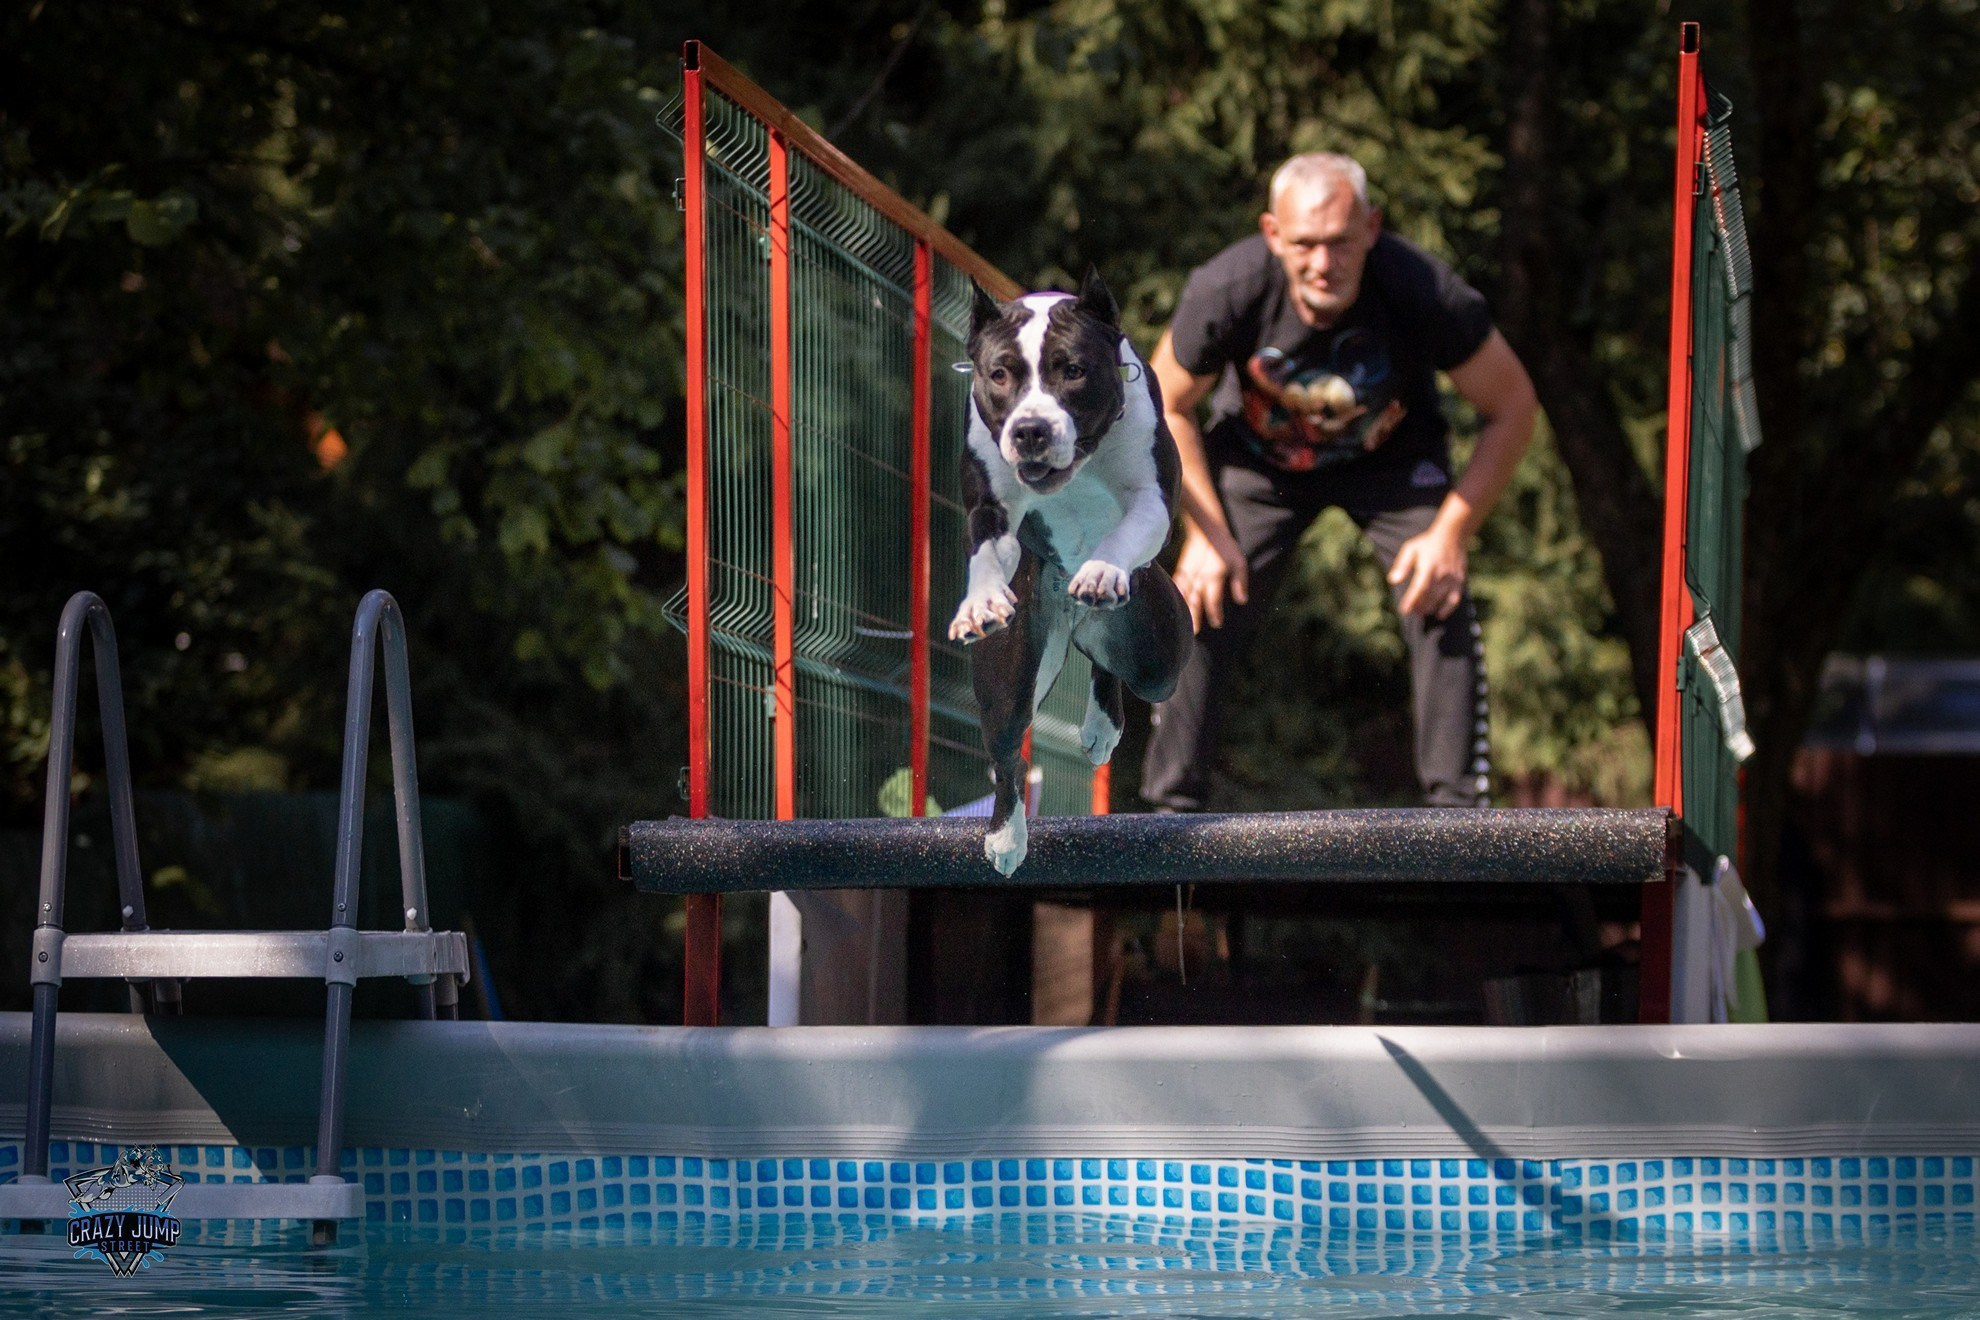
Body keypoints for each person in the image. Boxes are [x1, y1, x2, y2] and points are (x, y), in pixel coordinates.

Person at [1141, 152, 1538, 811]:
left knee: (1438, 589)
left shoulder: (1425, 291)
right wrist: (1204, 533)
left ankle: (1458, 813)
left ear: (1372, 229)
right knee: (1201, 592)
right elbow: (1164, 406)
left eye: (1340, 244)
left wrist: (1451, 534)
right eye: (1304, 245)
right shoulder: (1228, 288)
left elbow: (1514, 405)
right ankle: (1169, 808)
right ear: (1272, 235)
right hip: (1258, 463)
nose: (1323, 264)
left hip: (1393, 462)